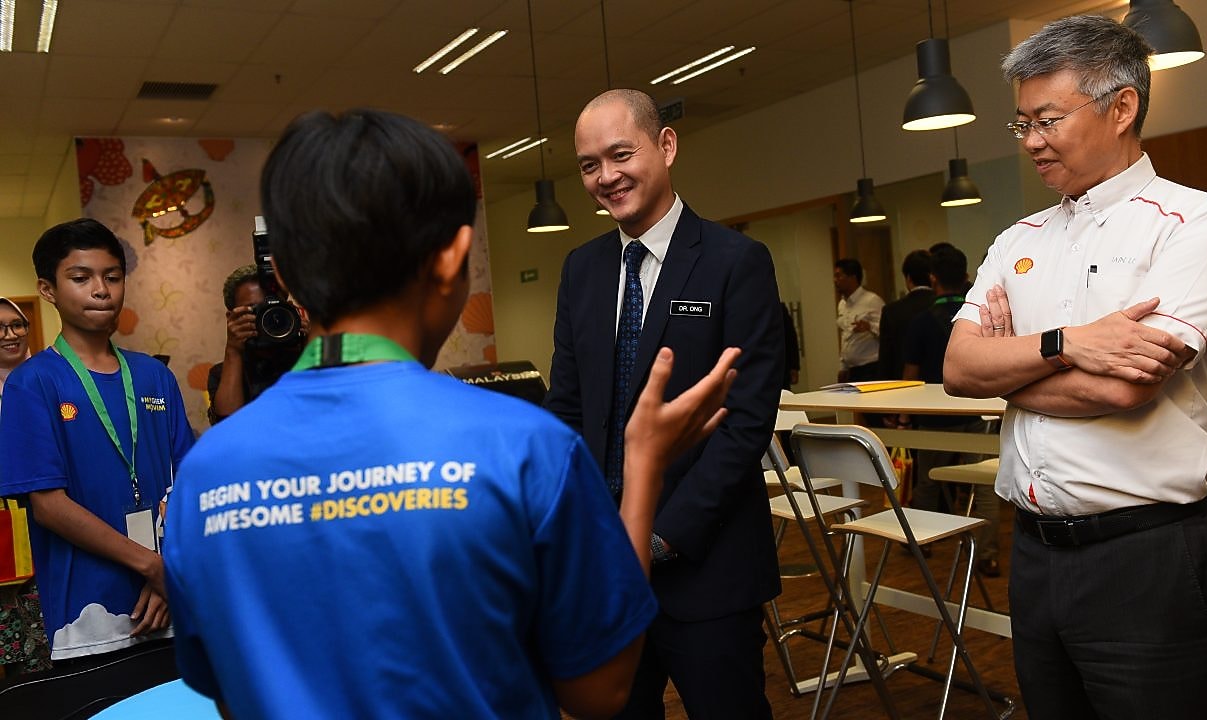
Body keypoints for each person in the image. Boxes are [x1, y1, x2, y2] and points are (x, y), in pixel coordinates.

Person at [163, 108, 742, 720]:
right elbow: (599, 691)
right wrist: (644, 463)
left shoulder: (206, 474)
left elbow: (227, 691)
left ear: (282, 276)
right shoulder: (524, 448)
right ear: (451, 258)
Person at [943, 16, 1207, 719]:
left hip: (1147, 558)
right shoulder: (1016, 238)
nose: (1032, 142)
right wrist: (1063, 344)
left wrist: (1012, 369)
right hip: (1034, 554)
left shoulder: (1200, 224)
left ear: (1122, 107)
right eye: (1021, 124)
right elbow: (960, 368)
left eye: (1047, 119)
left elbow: (1125, 386)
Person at [545, 88, 783, 719]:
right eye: (589, 165)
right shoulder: (581, 270)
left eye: (621, 154)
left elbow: (749, 420)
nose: (606, 177)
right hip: (605, 562)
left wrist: (659, 538)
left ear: (667, 145)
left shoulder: (737, 262)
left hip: (707, 560)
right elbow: (568, 408)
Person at [0, 219, 196, 664]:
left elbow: (188, 481)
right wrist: (152, 566)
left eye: (112, 276)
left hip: (174, 601)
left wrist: (169, 570)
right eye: (80, 277)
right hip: (88, 617)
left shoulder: (154, 375)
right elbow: (49, 506)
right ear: (47, 290)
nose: (101, 290)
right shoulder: (33, 384)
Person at [900, 247, 1002, 577]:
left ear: (933, 279)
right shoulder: (979, 316)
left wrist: (904, 416)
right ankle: (987, 554)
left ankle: (922, 541)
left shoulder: (921, 321)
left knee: (928, 483)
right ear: (966, 275)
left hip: (934, 417)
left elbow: (911, 374)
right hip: (978, 411)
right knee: (984, 487)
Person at [0, 297, 52, 676]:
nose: (11, 335)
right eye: (0, 329)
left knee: (48, 629)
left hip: (47, 516)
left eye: (17, 325)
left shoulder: (48, 378)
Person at [205, 264, 306, 424]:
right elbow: (228, 428)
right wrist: (233, 350)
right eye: (255, 309)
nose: (267, 316)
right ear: (232, 318)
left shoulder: (304, 357)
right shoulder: (222, 373)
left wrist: (313, 341)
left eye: (274, 306)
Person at [878, 249, 934, 381]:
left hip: (902, 385)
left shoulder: (891, 311)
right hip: (939, 384)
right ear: (932, 276)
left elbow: (886, 359)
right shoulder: (940, 307)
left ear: (908, 278)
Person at [834, 258, 883, 382]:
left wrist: (869, 327)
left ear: (852, 277)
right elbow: (845, 335)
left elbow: (888, 332)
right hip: (852, 370)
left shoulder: (872, 300)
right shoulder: (842, 304)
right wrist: (843, 366)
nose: (835, 281)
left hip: (871, 369)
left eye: (839, 276)